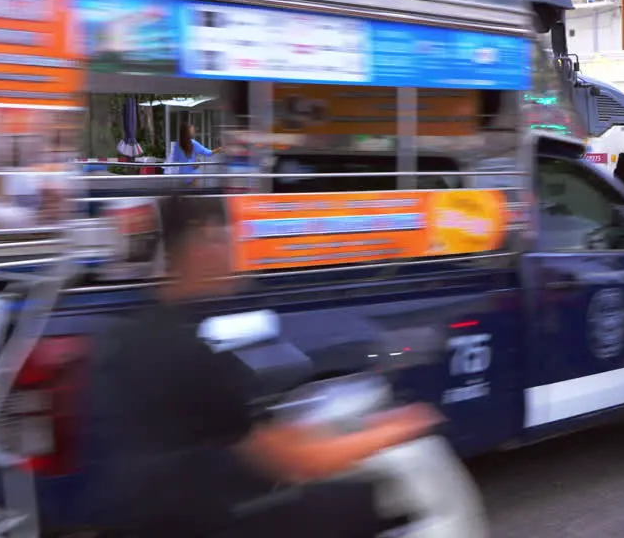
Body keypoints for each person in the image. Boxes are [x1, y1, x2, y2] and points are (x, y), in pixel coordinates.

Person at [96, 192, 443, 537]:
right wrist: (397, 429)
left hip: (158, 514)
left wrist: (351, 430)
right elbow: (296, 461)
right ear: (202, 244)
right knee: (363, 503)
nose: (237, 251)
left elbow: (251, 431)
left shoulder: (132, 334)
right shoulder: (189, 353)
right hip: (201, 521)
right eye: (229, 237)